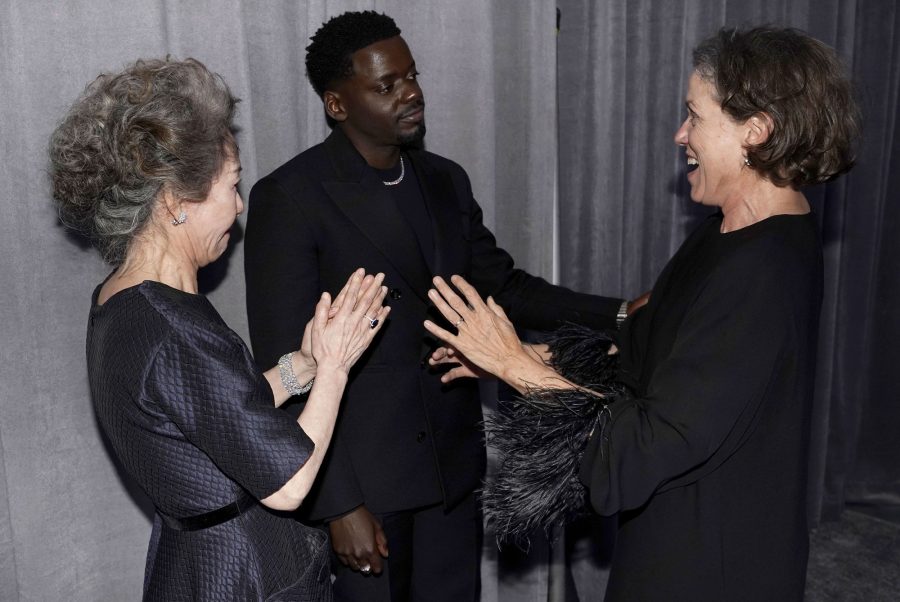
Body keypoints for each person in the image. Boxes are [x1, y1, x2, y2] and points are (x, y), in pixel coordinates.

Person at [423, 26, 859, 601]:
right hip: (678, 532)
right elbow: (645, 350)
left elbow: (648, 441)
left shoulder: (763, 271)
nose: (680, 134)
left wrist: (514, 366)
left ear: (755, 131)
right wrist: (523, 356)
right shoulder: (729, 231)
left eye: (694, 116)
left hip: (711, 562)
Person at [243, 11, 634, 602]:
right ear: (337, 104)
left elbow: (505, 288)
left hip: (452, 471)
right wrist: (337, 503)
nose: (411, 93)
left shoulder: (445, 180)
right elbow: (286, 361)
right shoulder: (291, 196)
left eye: (412, 76)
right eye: (386, 85)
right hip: (365, 482)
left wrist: (622, 313)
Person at [49, 57, 390, 601]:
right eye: (231, 186)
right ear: (175, 203)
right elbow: (289, 485)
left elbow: (212, 413)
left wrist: (302, 366)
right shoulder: (172, 328)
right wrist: (335, 367)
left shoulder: (123, 300)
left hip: (196, 564)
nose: (238, 205)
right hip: (244, 574)